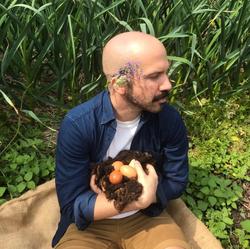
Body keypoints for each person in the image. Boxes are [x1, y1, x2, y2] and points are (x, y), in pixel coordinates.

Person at [52, 31, 190, 249]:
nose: (167, 85)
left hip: (147, 218)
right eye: (154, 76)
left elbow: (176, 180)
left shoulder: (168, 120)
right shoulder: (78, 125)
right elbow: (72, 205)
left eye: (166, 73)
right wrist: (137, 198)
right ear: (120, 83)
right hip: (92, 224)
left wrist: (147, 200)